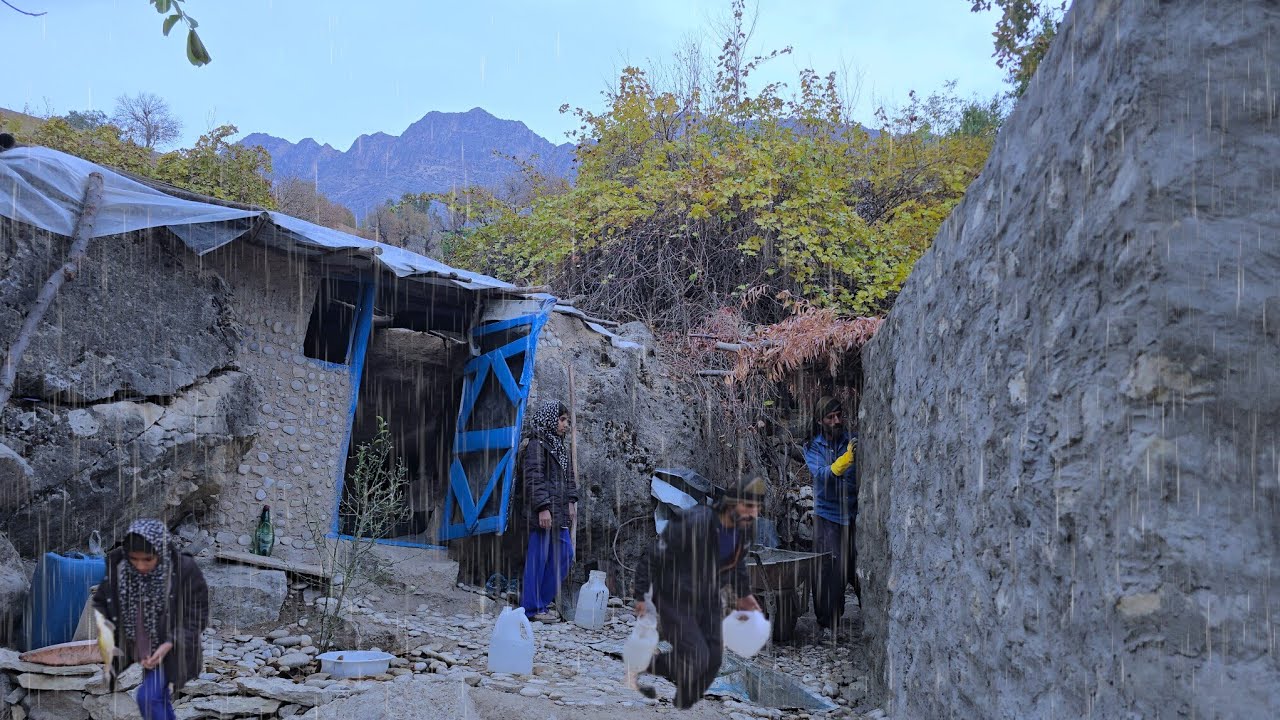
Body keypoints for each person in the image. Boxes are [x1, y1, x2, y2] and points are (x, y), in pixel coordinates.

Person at [632, 475, 765, 709]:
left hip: (708, 597)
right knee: (697, 654)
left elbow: (738, 567)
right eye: (749, 507)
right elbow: (653, 555)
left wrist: (746, 598)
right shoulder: (695, 521)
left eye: (757, 508)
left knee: (713, 659)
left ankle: (682, 701)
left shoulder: (743, 532)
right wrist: (641, 596)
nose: (753, 514)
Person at [91, 519, 209, 720]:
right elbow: (103, 600)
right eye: (134, 559)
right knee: (159, 699)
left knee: (147, 697)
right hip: (143, 648)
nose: (140, 565)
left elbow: (197, 616)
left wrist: (169, 643)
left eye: (147, 559)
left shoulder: (184, 570)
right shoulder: (120, 566)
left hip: (175, 647)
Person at [803, 395, 859, 639]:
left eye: (839, 415)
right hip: (828, 515)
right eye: (830, 417)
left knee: (853, 566)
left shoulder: (851, 440)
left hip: (853, 513)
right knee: (829, 569)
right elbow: (822, 475)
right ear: (820, 421)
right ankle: (828, 622)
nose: (836, 421)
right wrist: (845, 461)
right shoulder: (813, 446)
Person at [519, 400, 579, 623]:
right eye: (562, 419)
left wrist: (571, 501)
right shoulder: (537, 444)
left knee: (564, 556)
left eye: (567, 421)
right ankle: (531, 608)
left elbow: (568, 477)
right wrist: (543, 508)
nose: (565, 425)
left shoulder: (558, 446)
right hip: (543, 513)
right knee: (538, 558)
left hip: (559, 512)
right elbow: (533, 478)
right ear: (549, 418)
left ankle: (541, 602)